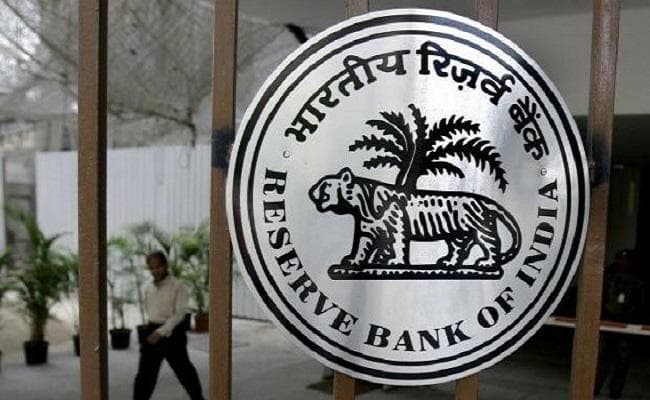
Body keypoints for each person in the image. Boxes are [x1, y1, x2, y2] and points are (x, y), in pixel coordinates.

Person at [133, 251, 205, 400]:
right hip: (152, 331)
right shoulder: (148, 287)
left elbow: (179, 314)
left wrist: (160, 332)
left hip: (173, 334)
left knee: (185, 372)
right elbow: (150, 311)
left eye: (158, 266)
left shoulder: (178, 286)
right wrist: (150, 329)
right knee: (144, 376)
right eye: (152, 268)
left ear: (166, 265)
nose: (155, 270)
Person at [594, 249, 645, 399]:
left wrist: (632, 322)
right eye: (621, 260)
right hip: (609, 320)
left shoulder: (637, 282)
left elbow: (640, 305)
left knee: (622, 360)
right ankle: (595, 387)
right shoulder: (610, 277)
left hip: (626, 324)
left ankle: (615, 390)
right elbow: (602, 297)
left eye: (626, 260)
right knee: (604, 358)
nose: (623, 263)